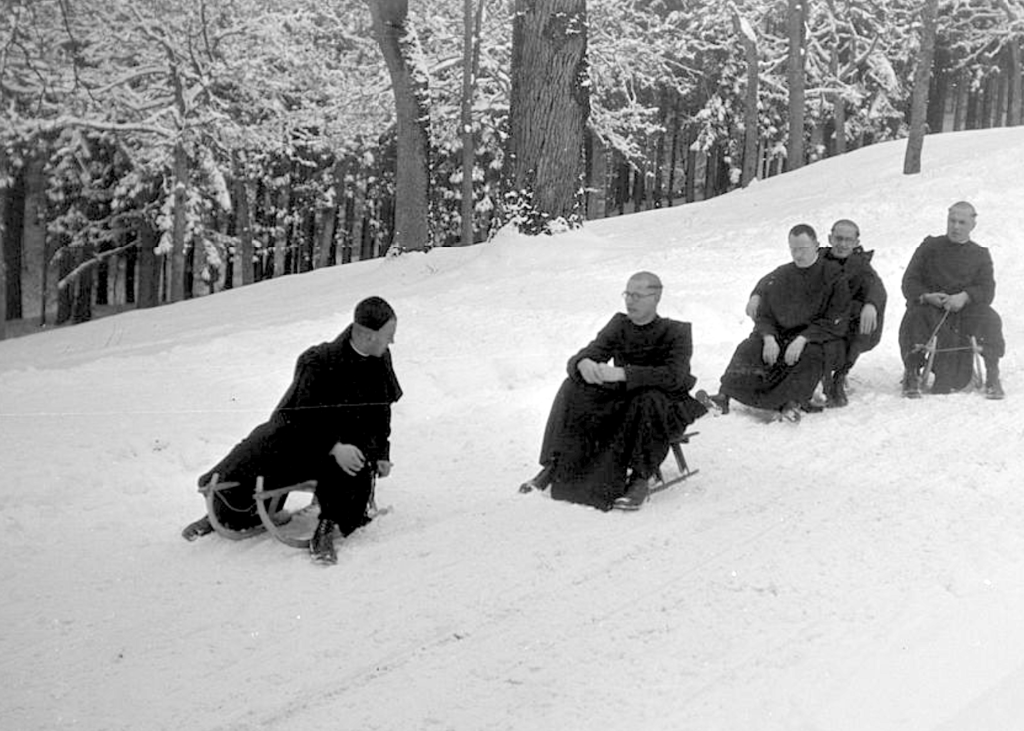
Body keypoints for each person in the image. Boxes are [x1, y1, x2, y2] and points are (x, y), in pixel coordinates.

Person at [181, 296, 403, 565]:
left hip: (351, 443)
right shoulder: (319, 361)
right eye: (388, 335)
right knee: (255, 448)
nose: (391, 342)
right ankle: (222, 511)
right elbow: (301, 417)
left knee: (352, 465)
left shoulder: (380, 360)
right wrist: (333, 445)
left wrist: (381, 452)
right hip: (301, 436)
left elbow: (381, 413)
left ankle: (328, 525)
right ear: (368, 335)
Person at [519, 272, 706, 511]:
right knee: (572, 386)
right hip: (626, 400)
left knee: (648, 399)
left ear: (656, 298)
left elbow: (675, 377)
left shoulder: (676, 332)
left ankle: (640, 477)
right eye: (627, 294)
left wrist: (623, 374)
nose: (630, 301)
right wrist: (582, 363)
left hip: (663, 404)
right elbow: (589, 353)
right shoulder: (619, 324)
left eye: (638, 295)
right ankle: (556, 464)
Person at [702, 224, 851, 422]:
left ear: (816, 245)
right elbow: (765, 314)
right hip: (781, 334)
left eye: (803, 249)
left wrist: (803, 339)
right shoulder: (782, 274)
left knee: (811, 356)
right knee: (750, 347)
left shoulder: (833, 276)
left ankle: (791, 403)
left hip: (819, 337)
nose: (798, 255)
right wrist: (769, 337)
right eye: (794, 249)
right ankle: (724, 396)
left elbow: (836, 318)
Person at [745, 219, 886, 407]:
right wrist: (757, 294)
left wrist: (871, 304)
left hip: (845, 321)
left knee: (851, 330)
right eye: (838, 238)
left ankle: (839, 376)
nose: (842, 244)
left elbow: (876, 288)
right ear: (830, 238)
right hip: (815, 318)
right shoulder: (816, 256)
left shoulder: (860, 266)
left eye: (848, 240)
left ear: (856, 243)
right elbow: (776, 276)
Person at [899, 201, 1005, 400]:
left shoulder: (980, 254)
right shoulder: (929, 247)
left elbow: (987, 290)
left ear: (972, 225)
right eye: (952, 221)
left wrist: (965, 296)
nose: (956, 226)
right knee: (915, 316)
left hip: (965, 311)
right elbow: (909, 281)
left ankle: (992, 372)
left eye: (962, 222)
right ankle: (912, 371)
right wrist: (927, 296)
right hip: (933, 308)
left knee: (990, 318)